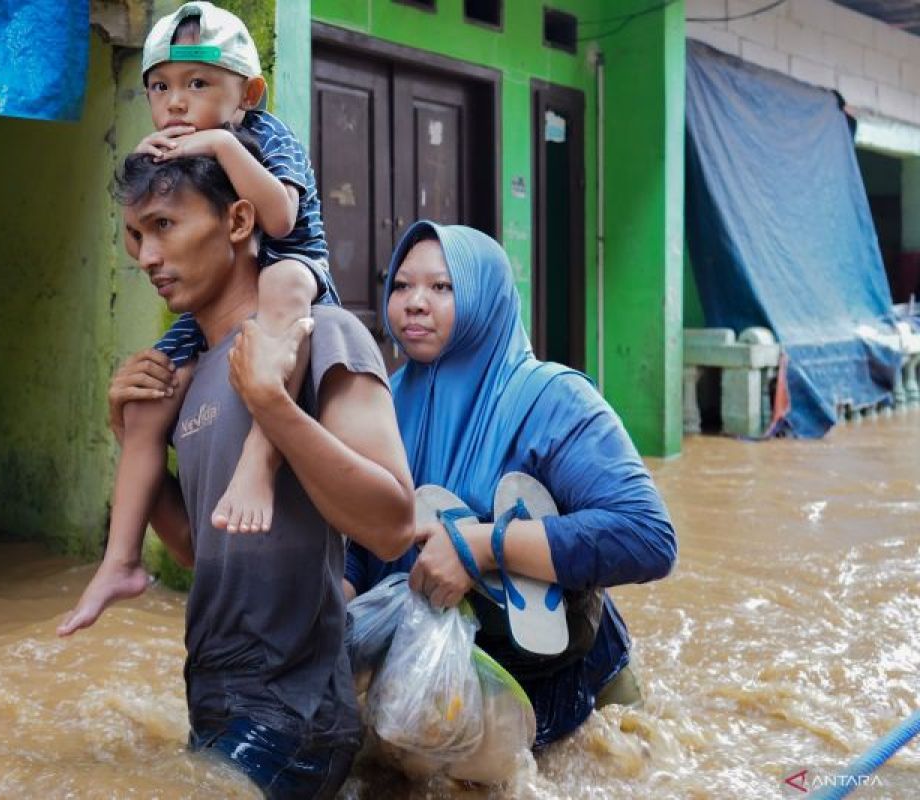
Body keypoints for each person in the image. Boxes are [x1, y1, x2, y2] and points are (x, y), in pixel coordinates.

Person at [61, 145, 415, 799]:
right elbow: (203, 547)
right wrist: (129, 436)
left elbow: (394, 524)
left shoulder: (325, 334)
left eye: (165, 225)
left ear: (238, 222)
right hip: (216, 703)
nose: (145, 258)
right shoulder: (190, 382)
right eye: (135, 236)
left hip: (296, 718)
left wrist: (273, 407)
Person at [344, 221, 678, 749]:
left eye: (442, 287)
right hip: (436, 696)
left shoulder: (553, 400)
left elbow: (647, 537)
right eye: (402, 285)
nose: (413, 302)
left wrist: (485, 546)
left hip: (568, 689)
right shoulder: (376, 403)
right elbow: (365, 538)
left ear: (485, 297)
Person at [125, 0, 337, 541]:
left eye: (198, 84)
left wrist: (221, 144)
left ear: (248, 95)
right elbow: (142, 230)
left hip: (293, 265)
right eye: (160, 87)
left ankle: (258, 460)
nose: (176, 103)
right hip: (224, 303)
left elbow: (282, 219)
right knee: (149, 389)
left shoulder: (268, 136)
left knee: (282, 282)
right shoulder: (166, 151)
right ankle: (120, 558)